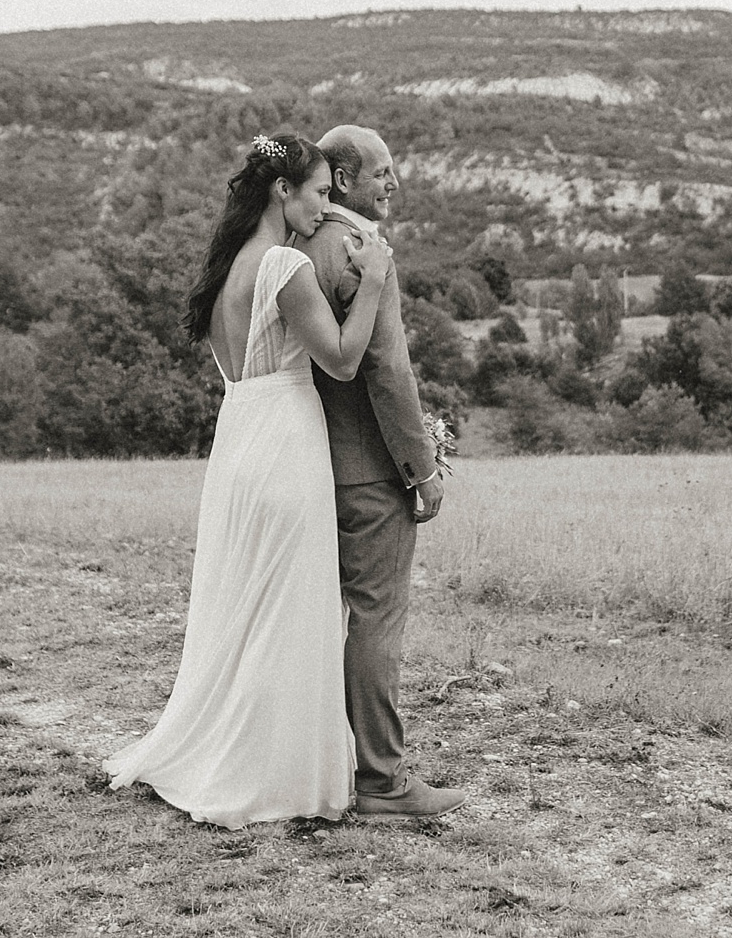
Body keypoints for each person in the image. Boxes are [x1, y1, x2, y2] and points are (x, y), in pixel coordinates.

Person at [105, 133, 393, 828]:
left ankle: (234, 747)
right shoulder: (285, 265)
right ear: (281, 191)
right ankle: (270, 771)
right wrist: (376, 279)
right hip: (287, 443)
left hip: (238, 441)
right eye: (320, 194)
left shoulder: (224, 269)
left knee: (248, 603)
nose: (326, 211)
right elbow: (344, 361)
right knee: (287, 607)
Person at [297, 123, 466, 818]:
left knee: (315, 618)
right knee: (376, 619)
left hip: (306, 464)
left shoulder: (295, 242)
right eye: (382, 172)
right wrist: (420, 466)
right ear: (342, 179)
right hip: (367, 470)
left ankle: (319, 761)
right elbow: (387, 370)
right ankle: (381, 781)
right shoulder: (363, 252)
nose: (393, 183)